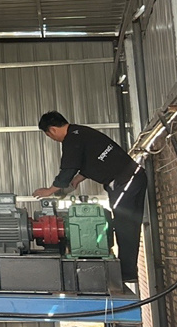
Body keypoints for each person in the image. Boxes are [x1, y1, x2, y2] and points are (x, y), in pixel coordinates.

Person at [33, 111, 147, 283]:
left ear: (52, 130)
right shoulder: (81, 133)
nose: (52, 138)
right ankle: (128, 271)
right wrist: (77, 180)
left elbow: (68, 169)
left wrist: (50, 190)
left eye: (49, 135)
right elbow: (92, 161)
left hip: (126, 181)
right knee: (129, 225)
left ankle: (127, 272)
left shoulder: (72, 139)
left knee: (125, 226)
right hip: (132, 178)